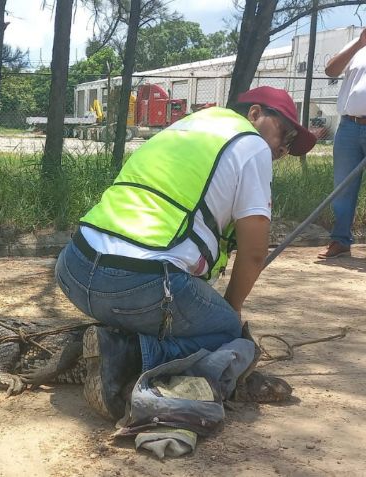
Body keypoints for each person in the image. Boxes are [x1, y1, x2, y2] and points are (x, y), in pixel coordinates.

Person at [53, 86, 317, 421]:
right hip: (134, 283)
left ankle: (119, 337)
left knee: (178, 304)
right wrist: (229, 311)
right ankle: (126, 353)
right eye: (286, 134)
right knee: (227, 333)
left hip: (74, 267)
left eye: (292, 144)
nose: (283, 149)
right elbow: (253, 253)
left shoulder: (186, 127)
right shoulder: (252, 146)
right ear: (255, 114)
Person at [320, 28, 366, 259]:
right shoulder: (357, 48)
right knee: (342, 187)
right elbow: (331, 70)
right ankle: (340, 241)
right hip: (349, 126)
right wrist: (359, 43)